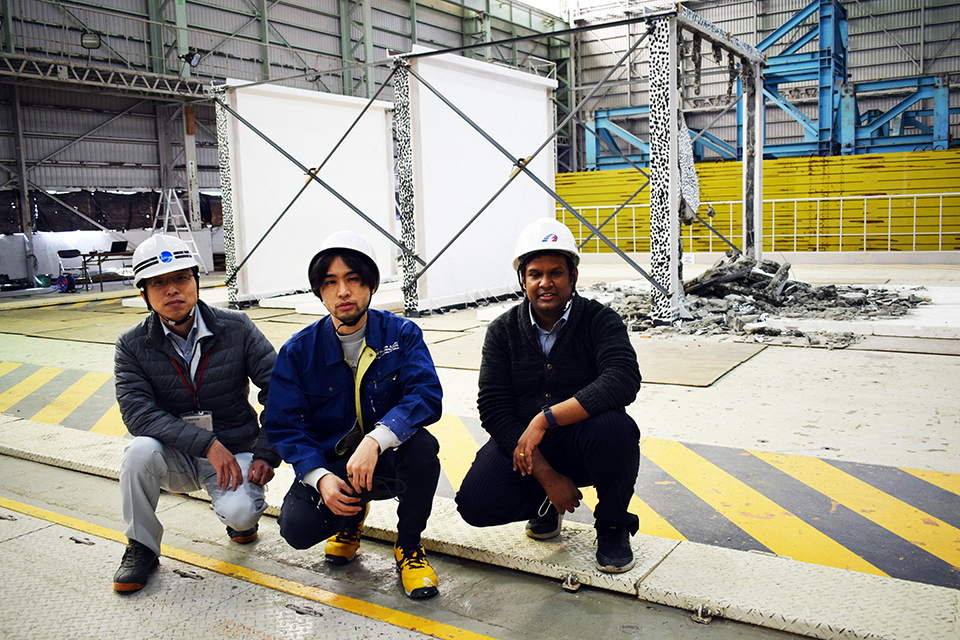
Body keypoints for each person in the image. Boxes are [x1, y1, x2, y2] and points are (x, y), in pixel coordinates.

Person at [456, 218, 642, 573]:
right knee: (475, 505)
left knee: (616, 428)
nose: (545, 283)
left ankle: (614, 524)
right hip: (529, 445)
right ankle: (545, 506)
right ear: (522, 280)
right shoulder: (502, 331)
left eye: (556, 272)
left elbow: (623, 379)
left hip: (584, 438)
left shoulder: (600, 321)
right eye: (535, 274)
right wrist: (544, 474)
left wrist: (546, 418)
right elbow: (493, 408)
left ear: (572, 276)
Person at [264, 230, 443, 599]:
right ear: (320, 291)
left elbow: (426, 395)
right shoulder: (298, 351)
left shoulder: (402, 334)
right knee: (296, 529)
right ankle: (349, 521)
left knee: (424, 448)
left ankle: (409, 546)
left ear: (371, 285)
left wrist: (377, 438)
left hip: (384, 460)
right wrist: (319, 478)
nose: (342, 292)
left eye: (353, 279)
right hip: (333, 467)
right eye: (330, 283)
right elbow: (284, 426)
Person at [112, 234, 279, 592]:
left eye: (182, 278)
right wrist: (206, 445)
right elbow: (138, 414)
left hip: (235, 450)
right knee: (137, 454)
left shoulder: (237, 328)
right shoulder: (131, 344)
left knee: (242, 512)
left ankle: (241, 523)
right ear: (144, 293)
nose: (173, 289)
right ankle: (141, 546)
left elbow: (281, 392)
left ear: (197, 282)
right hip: (176, 454)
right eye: (159, 282)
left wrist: (266, 451)